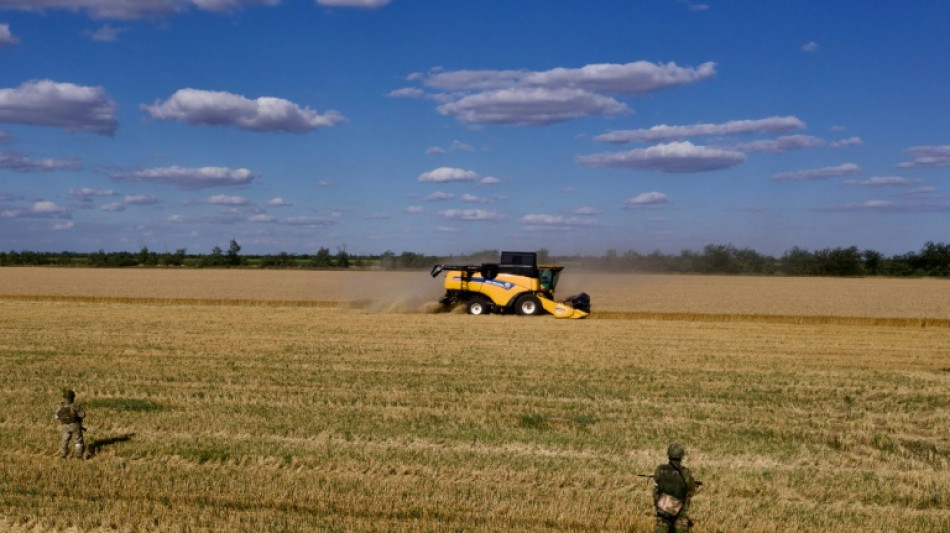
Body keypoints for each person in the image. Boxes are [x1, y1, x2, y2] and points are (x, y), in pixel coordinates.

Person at [652, 442, 698, 533]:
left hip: (663, 509)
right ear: (681, 456)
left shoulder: (660, 469)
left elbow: (655, 490)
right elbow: (691, 491)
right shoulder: (685, 472)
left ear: (668, 454)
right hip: (679, 511)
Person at [54, 389, 86, 459]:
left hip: (65, 426)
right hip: (75, 426)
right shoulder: (76, 406)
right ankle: (79, 456)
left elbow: (56, 417)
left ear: (64, 398)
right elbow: (83, 415)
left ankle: (63, 455)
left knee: (64, 440)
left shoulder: (61, 406)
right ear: (73, 397)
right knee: (78, 441)